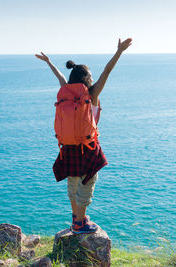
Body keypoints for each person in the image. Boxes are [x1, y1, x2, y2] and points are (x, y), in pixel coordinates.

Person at [35, 38, 132, 234]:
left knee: (73, 183)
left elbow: (60, 76)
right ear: (88, 78)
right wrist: (119, 51)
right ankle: (80, 223)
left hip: (68, 147)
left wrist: (49, 62)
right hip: (87, 148)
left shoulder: (66, 91)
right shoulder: (92, 93)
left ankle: (76, 218)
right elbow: (107, 72)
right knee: (87, 183)